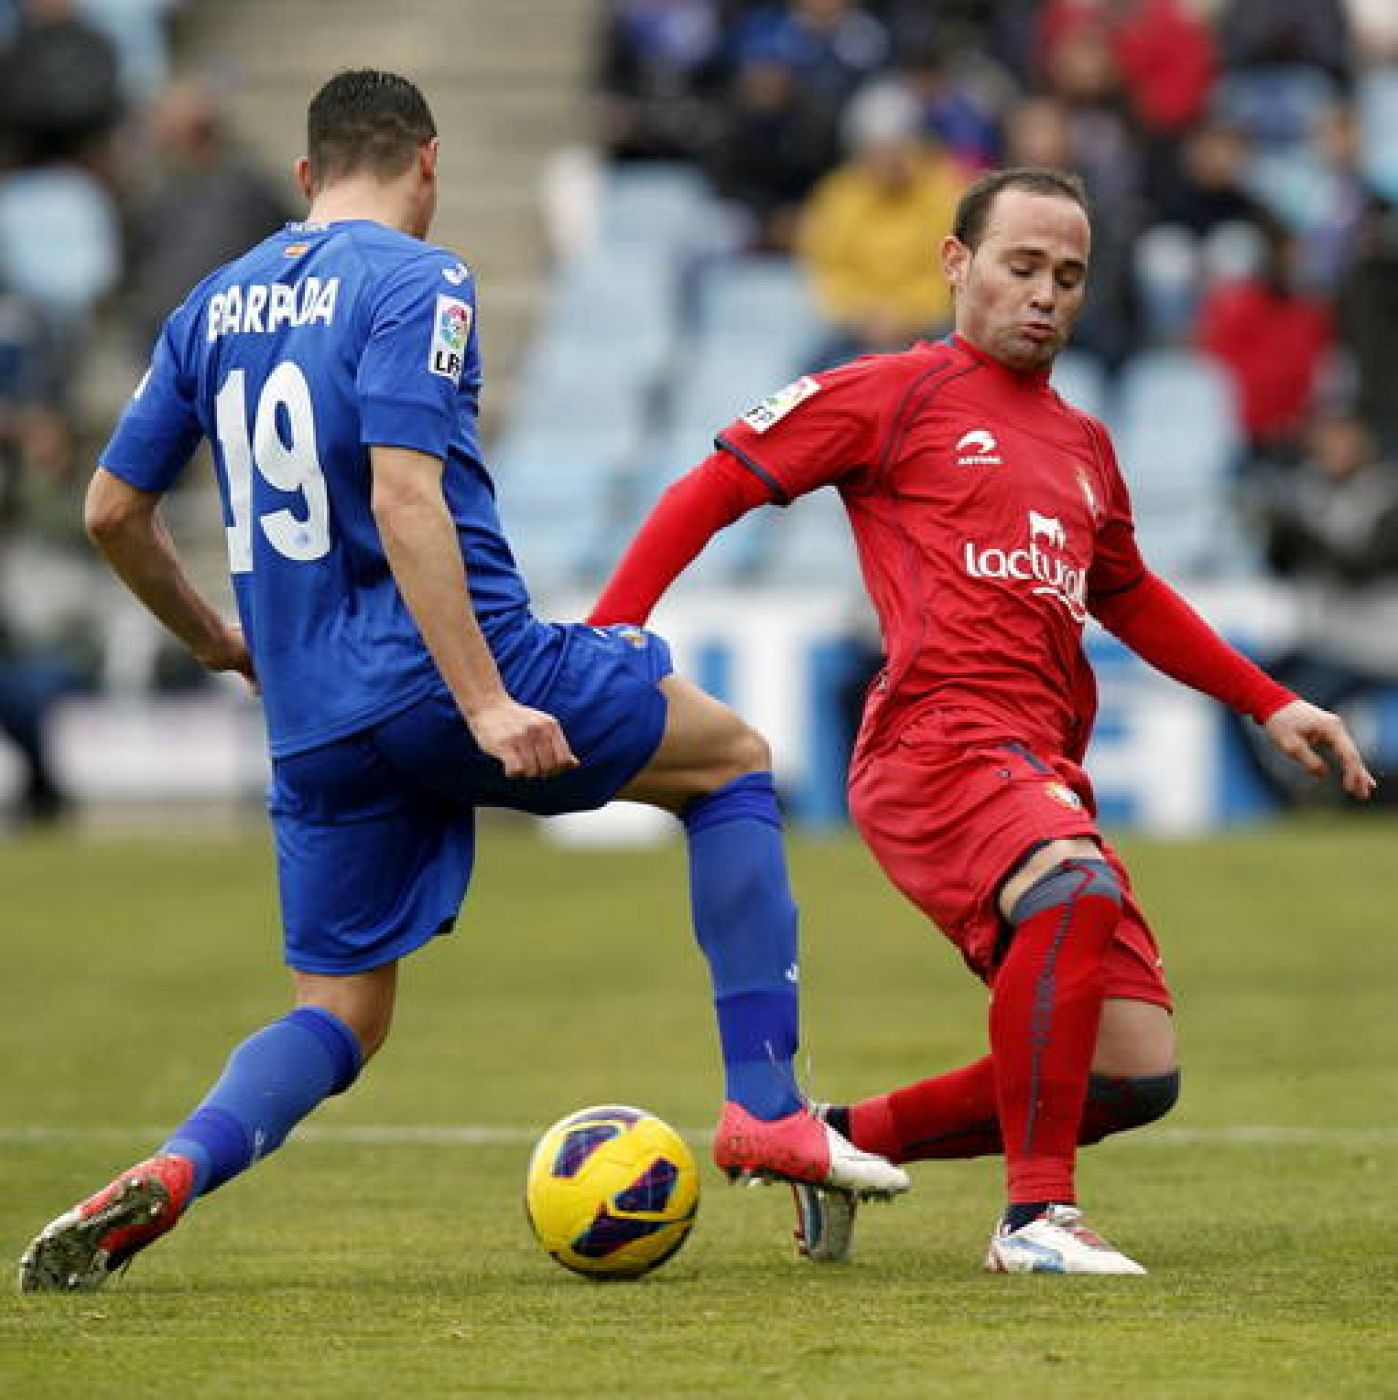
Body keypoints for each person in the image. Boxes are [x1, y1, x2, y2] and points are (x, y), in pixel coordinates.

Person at [17, 69, 907, 1295]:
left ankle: (176, 1166)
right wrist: (486, 700)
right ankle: (766, 1104)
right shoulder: (422, 280)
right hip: (455, 672)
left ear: (303, 176)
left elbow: (112, 510)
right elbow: (403, 491)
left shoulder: (210, 306)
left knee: (339, 1014)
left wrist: (217, 639)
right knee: (731, 763)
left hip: (315, 719)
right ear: (428, 164)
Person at [587, 166, 1375, 1274]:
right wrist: (614, 634)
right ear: (956, 263)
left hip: (1034, 758)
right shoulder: (892, 392)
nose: (1046, 294)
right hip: (934, 740)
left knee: (1132, 1070)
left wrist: (1271, 698)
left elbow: (1131, 592)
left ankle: (841, 1141)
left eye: (1069, 275)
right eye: (1021, 267)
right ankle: (1034, 1219)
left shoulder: (1086, 445)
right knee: (1072, 888)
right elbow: (711, 488)